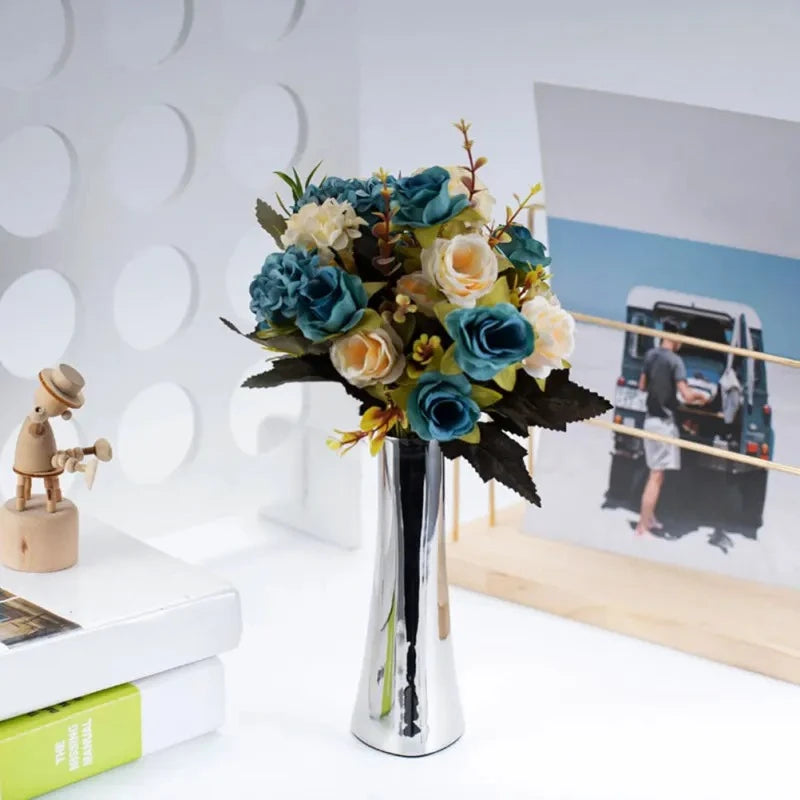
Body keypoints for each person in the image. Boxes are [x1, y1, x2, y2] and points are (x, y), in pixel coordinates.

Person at [635, 320, 708, 536]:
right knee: (656, 476)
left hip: (649, 421)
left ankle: (650, 518)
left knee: (656, 473)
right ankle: (642, 526)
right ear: (675, 338)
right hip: (663, 425)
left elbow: (642, 386)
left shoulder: (650, 356)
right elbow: (686, 394)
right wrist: (700, 397)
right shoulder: (676, 361)